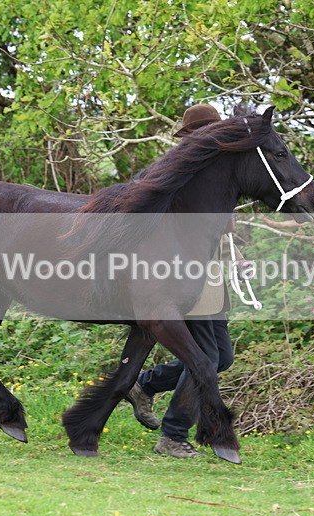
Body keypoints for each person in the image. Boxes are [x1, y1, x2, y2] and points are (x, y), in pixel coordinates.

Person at [124, 104, 235, 458]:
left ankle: (146, 384)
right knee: (205, 357)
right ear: (192, 138)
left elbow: (220, 231)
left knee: (223, 358)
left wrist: (236, 259)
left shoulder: (217, 173)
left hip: (212, 276)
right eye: (205, 135)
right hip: (182, 277)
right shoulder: (178, 171)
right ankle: (173, 435)